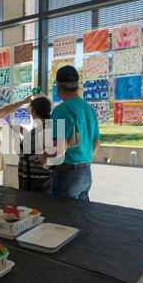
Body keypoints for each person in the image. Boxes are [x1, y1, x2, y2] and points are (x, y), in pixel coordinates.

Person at [40, 65, 100, 202]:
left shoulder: (62, 110)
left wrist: (45, 157)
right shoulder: (89, 109)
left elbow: (60, 149)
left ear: (58, 87)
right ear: (76, 86)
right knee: (81, 217)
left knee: (63, 219)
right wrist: (82, 158)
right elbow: (96, 142)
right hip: (86, 173)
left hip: (67, 174)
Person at [16, 96, 53, 193]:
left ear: (34, 111)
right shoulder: (54, 128)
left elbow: (22, 152)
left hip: (35, 182)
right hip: (49, 180)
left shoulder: (37, 132)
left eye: (31, 110)